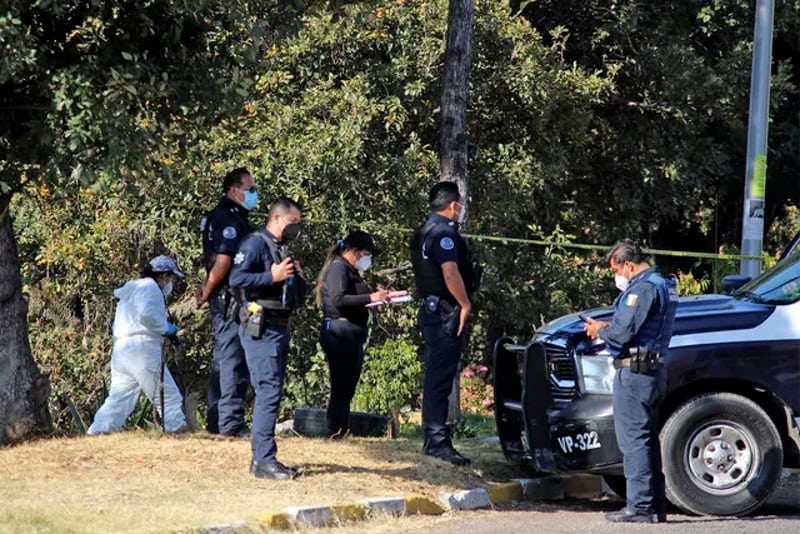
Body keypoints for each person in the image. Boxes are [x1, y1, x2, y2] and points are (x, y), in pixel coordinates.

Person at [583, 239, 678, 524]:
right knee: (647, 441)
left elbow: (623, 333)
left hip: (635, 374)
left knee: (634, 441)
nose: (617, 276)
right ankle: (654, 505)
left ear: (628, 264)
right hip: (652, 371)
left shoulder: (644, 288)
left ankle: (640, 507)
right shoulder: (664, 284)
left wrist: (601, 329)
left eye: (616, 269)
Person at [229, 197, 307, 480]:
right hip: (261, 327)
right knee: (268, 392)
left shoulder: (281, 248)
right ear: (277, 218)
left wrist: (297, 278)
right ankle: (263, 460)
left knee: (272, 391)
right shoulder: (255, 244)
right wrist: (270, 276)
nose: (296, 228)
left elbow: (294, 294)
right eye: (293, 222)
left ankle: (261, 459)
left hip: (279, 326)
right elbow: (236, 279)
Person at [409, 181, 481, 466]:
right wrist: (464, 304)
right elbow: (450, 273)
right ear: (453, 204)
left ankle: (436, 437)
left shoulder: (424, 231)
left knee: (437, 375)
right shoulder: (443, 235)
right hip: (444, 313)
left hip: (432, 310)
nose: (461, 210)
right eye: (460, 205)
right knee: (439, 377)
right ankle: (436, 440)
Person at [88, 255, 187, 435]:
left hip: (121, 351)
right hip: (142, 349)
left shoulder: (132, 290)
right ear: (164, 275)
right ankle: (177, 432)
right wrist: (167, 329)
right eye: (171, 278)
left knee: (119, 398)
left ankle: (97, 431)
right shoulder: (150, 287)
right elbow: (146, 315)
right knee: (168, 396)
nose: (171, 282)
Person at [197, 167, 256, 437]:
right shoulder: (228, 218)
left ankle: (218, 421)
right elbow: (223, 260)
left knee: (225, 358)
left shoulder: (225, 216)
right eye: (250, 189)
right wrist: (208, 289)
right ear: (234, 190)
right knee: (234, 358)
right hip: (232, 298)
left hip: (232, 297)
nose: (254, 194)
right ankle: (229, 423)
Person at [316, 231, 390, 438]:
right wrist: (370, 297)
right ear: (355, 252)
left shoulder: (350, 271)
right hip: (339, 333)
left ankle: (342, 429)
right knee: (340, 386)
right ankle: (334, 430)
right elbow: (339, 299)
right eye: (366, 254)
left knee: (348, 387)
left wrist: (379, 298)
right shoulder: (338, 268)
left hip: (352, 334)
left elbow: (357, 297)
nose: (368, 259)